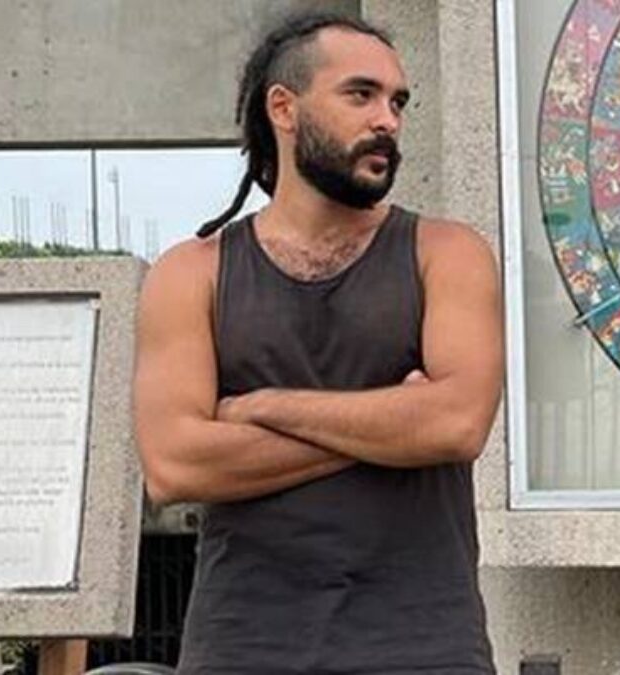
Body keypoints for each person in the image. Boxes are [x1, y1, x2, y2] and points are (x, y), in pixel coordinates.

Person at [132, 11, 503, 674]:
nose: (387, 120)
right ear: (284, 107)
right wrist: (394, 422)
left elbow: (455, 423)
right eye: (361, 95)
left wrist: (263, 407)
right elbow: (176, 466)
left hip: (424, 647)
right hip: (242, 648)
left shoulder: (447, 254)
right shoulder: (192, 273)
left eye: (397, 102)